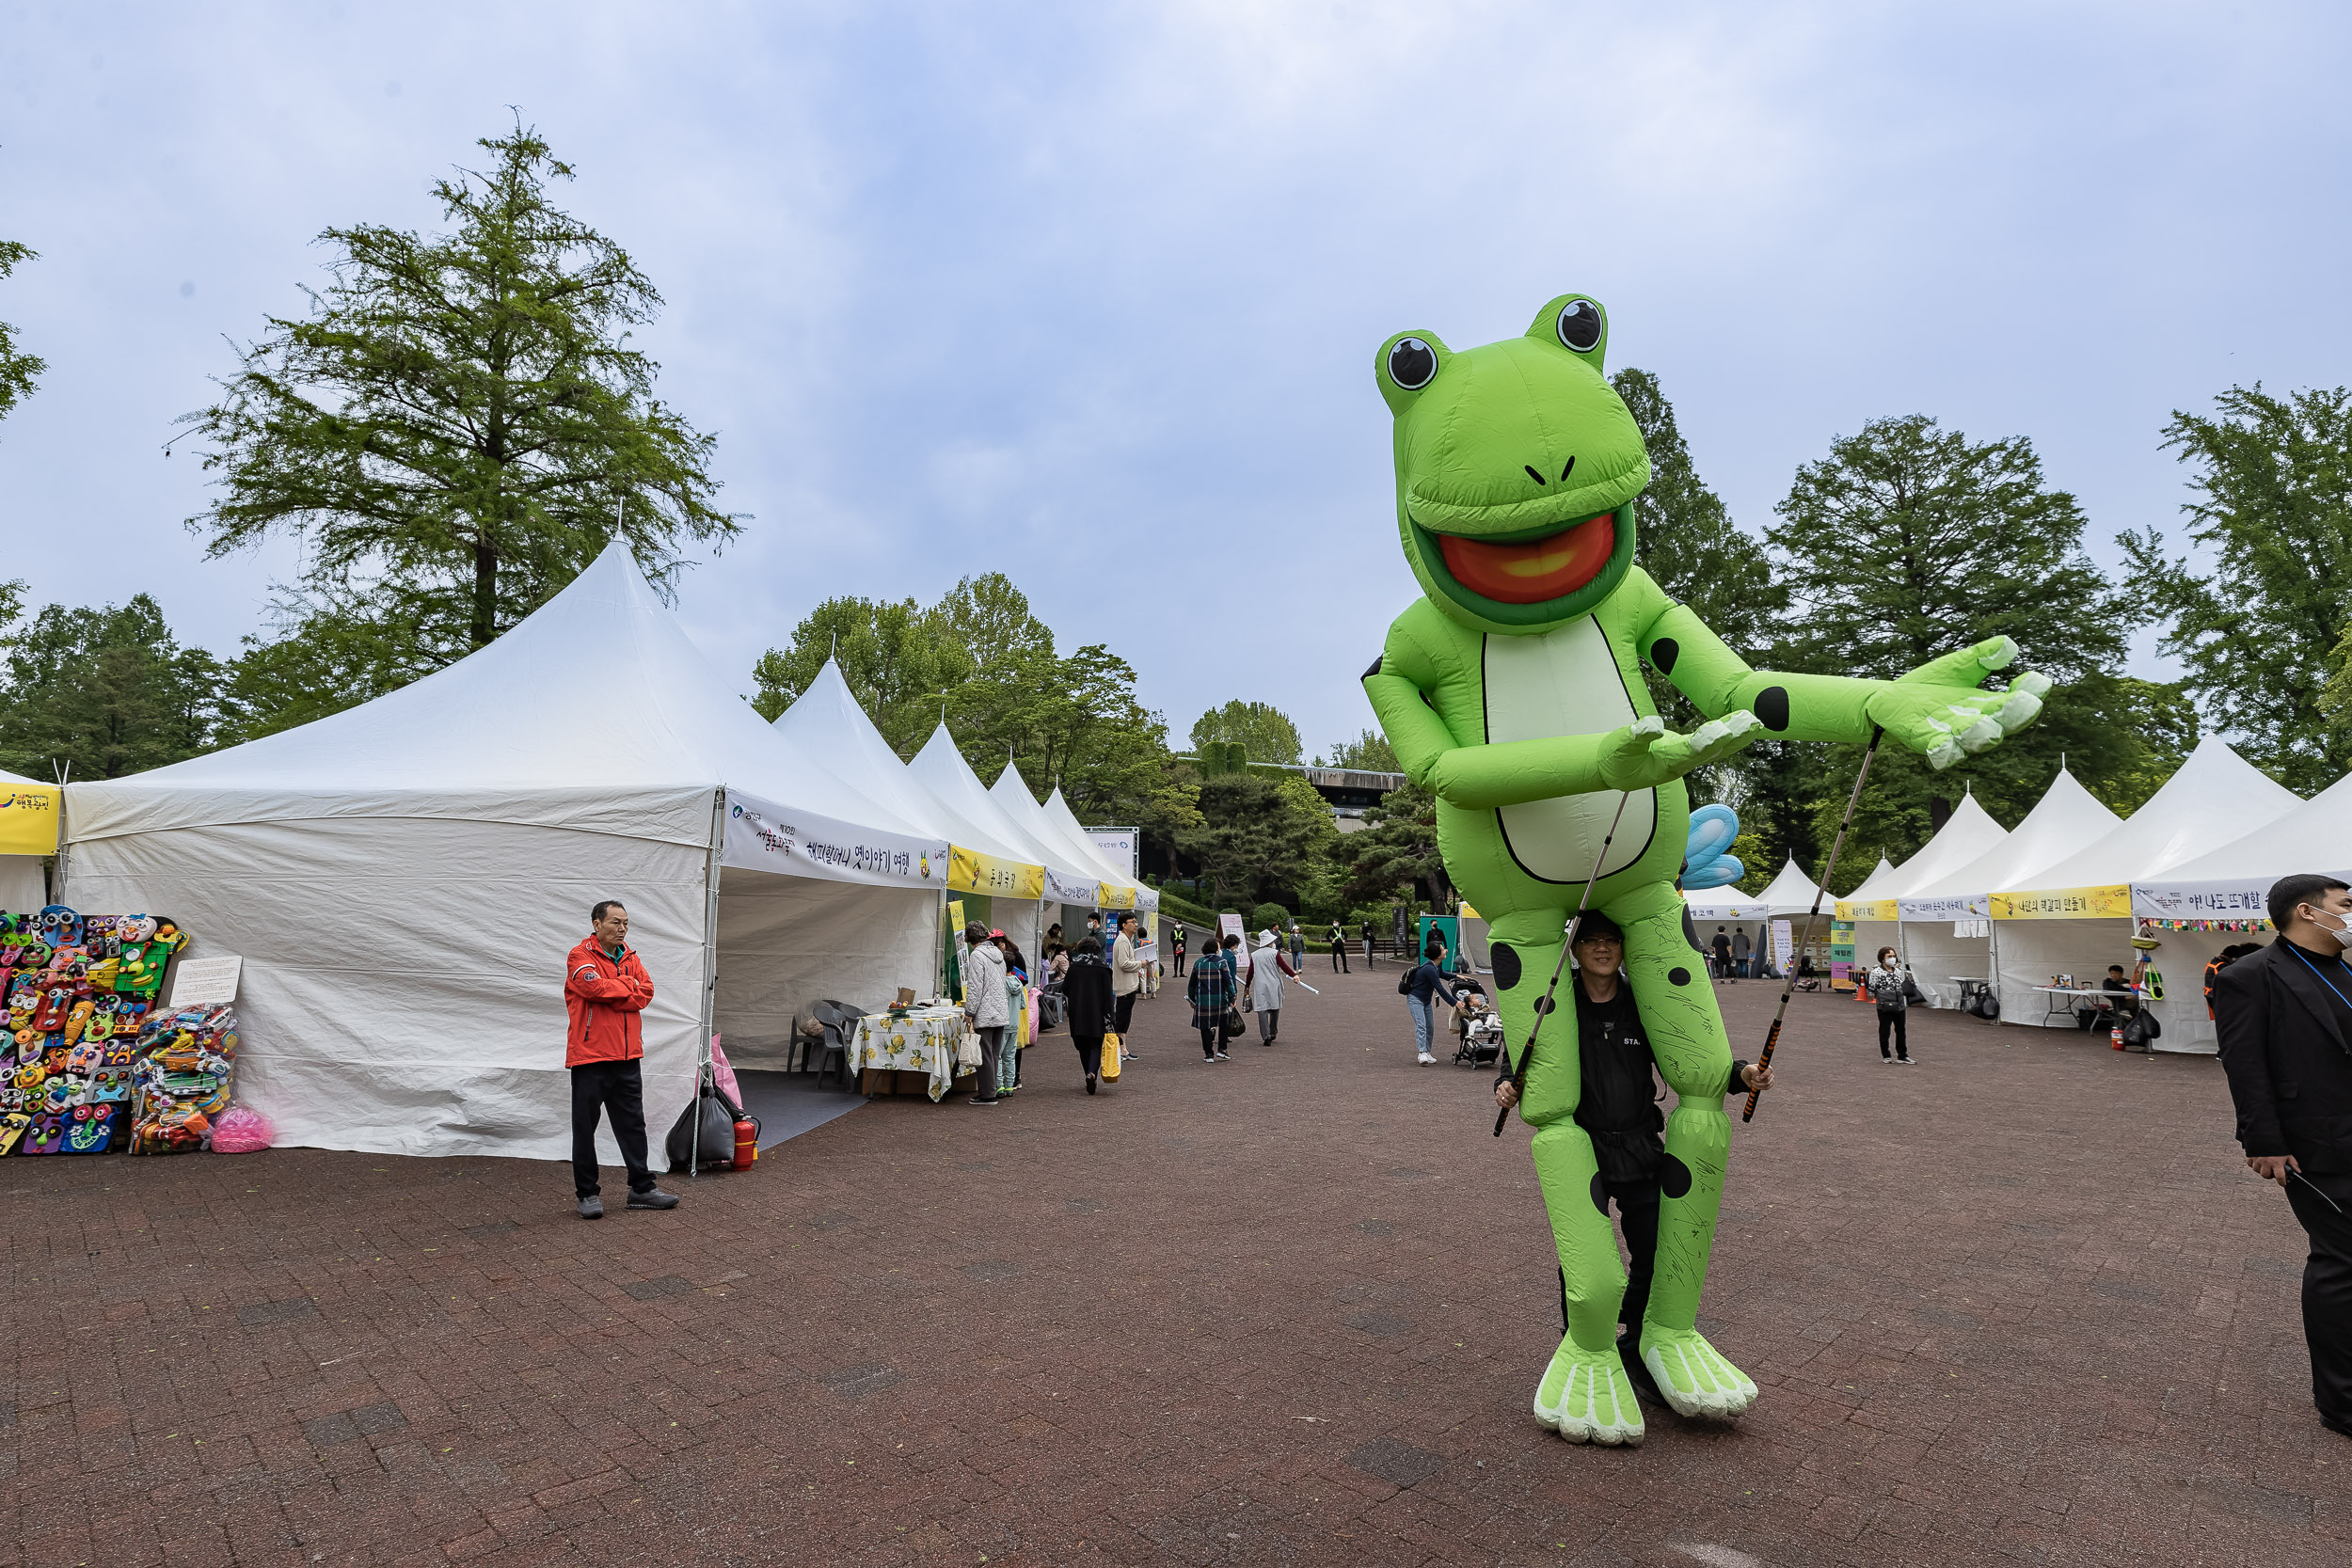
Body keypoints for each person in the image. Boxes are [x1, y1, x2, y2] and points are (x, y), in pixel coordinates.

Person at [1492, 912, 1772, 1398]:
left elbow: (1688, 1053)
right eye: (1591, 942)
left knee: (1656, 1251)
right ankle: (1584, 1346)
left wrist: (1741, 1074)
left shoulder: (1645, 1003)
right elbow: (1518, 1060)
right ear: (1575, 950)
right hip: (1585, 1151)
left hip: (1642, 1145)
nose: (1602, 949)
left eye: (1611, 941)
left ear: (1623, 949)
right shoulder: (1557, 1006)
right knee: (1585, 1263)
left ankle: (1637, 1347)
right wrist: (1503, 1085)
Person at [2214, 874, 2352, 1441]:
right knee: (2342, 1260)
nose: (2350, 913)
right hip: (2313, 1143)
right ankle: (2341, 1402)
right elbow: (2244, 1063)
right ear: (2308, 911)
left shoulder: (2348, 970)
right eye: (2346, 904)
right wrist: (2263, 1140)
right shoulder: (2250, 976)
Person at [564, 901, 679, 1219]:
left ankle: (641, 1188)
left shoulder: (631, 956)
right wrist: (626, 986)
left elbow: (647, 992)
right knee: (584, 1129)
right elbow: (592, 987)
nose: (622, 928)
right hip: (590, 1058)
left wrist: (618, 989)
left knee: (633, 1125)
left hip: (628, 1056)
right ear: (597, 924)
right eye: (615, 922)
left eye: (626, 923)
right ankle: (587, 1194)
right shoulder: (579, 955)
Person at [961, 922, 1009, 1105]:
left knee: (984, 1053)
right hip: (1000, 1010)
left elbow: (975, 987)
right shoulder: (999, 954)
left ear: (971, 940)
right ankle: (992, 1089)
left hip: (985, 1011)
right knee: (993, 1053)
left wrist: (970, 1011)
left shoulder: (977, 956)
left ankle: (987, 1094)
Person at [1062, 935, 1115, 1093]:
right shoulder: (1103, 967)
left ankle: (1088, 1072)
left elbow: (1065, 989)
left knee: (1082, 1044)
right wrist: (1110, 1017)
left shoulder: (1074, 967)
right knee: (1096, 1043)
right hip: (1097, 1012)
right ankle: (1092, 1073)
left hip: (1077, 1011)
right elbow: (1108, 995)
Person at [1406, 936, 1461, 1064]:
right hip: (1415, 999)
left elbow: (1442, 974)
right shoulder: (1429, 968)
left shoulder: (1436, 965)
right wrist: (1455, 1002)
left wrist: (1457, 976)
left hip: (1425, 1001)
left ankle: (1427, 1052)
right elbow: (1440, 989)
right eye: (1442, 950)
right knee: (1421, 1025)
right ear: (1437, 955)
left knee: (1429, 1027)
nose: (1445, 951)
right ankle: (1422, 1053)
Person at [1187, 932, 1238, 1062]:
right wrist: (1233, 996)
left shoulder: (1198, 963)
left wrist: (1192, 999)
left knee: (1205, 1027)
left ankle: (1208, 1054)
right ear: (1216, 950)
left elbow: (1192, 984)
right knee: (1223, 1024)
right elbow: (1228, 982)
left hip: (1203, 1001)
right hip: (1219, 999)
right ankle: (1222, 1049)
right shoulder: (1222, 962)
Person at [1250, 930, 1301, 1045]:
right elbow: (1284, 966)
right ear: (1270, 941)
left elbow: (1250, 972)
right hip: (1273, 983)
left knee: (1262, 1011)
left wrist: (1247, 985)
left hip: (1260, 985)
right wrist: (1294, 975)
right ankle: (1273, 1032)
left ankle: (1266, 1036)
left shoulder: (1255, 955)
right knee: (1274, 1008)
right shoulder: (1275, 953)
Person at [1866, 945, 1912, 1064]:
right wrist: (1876, 995)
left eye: (1893, 956)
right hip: (1884, 1004)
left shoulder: (1898, 971)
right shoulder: (1877, 972)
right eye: (1889, 956)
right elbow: (1871, 988)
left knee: (1901, 1030)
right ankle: (1886, 1054)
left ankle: (1902, 1055)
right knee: (1885, 1030)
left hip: (1899, 1003)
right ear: (1882, 958)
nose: (1892, 958)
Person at [1111, 914, 1144, 1041]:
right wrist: (1140, 964)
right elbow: (1124, 963)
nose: (1136, 924)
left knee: (1124, 1019)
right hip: (1125, 987)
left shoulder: (1125, 940)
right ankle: (1119, 1049)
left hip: (1128, 986)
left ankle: (1123, 1048)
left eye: (1136, 921)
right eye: (1133, 922)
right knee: (1122, 1019)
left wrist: (1137, 968)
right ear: (1124, 925)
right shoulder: (1123, 941)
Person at [2207, 942, 2260, 1021]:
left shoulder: (2213, 962)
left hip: (2211, 994)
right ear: (2233, 957)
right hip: (2219, 996)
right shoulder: (2222, 965)